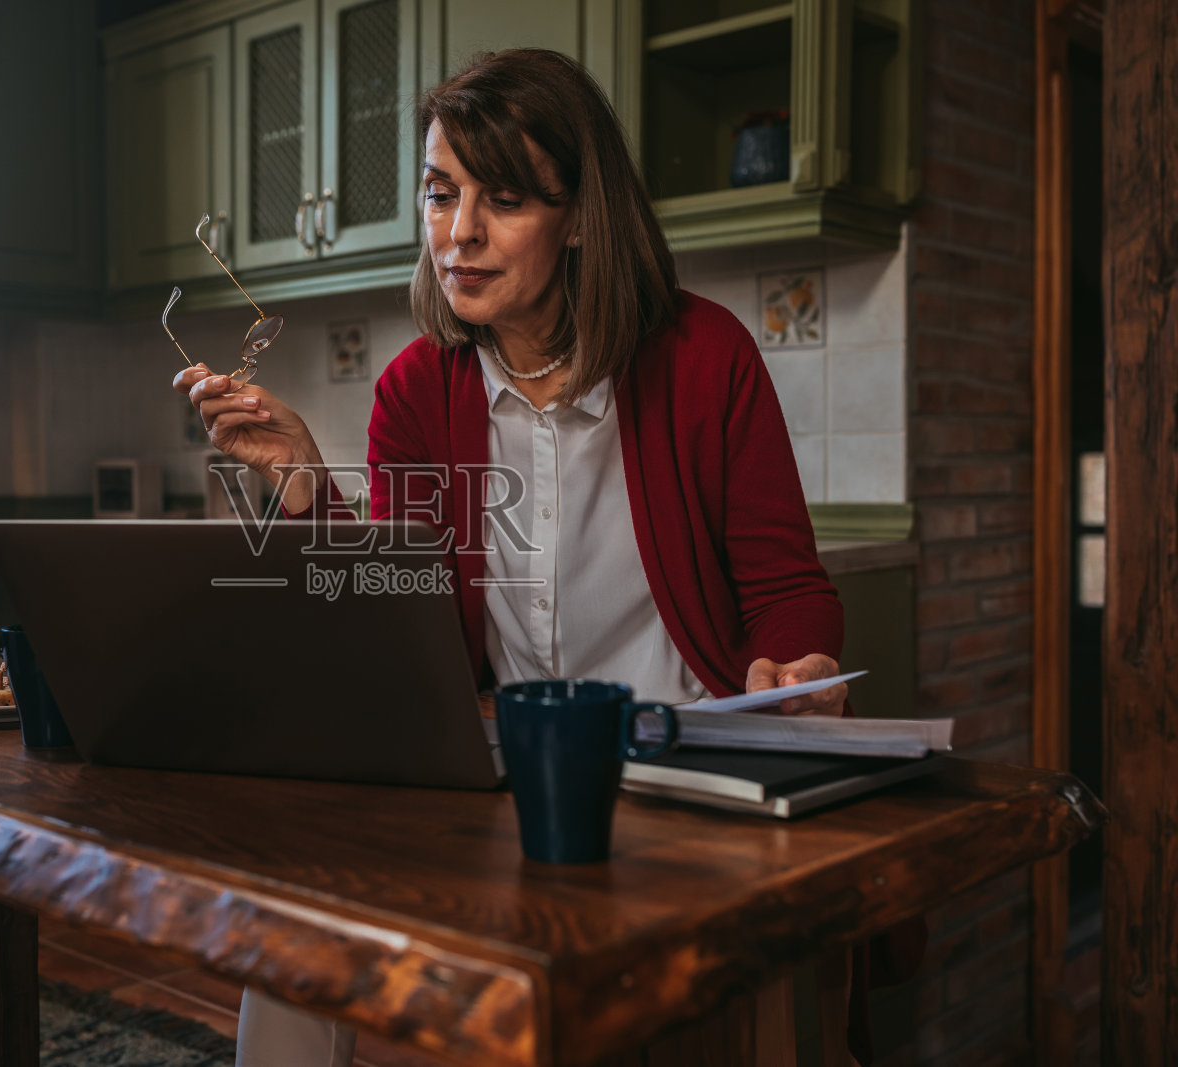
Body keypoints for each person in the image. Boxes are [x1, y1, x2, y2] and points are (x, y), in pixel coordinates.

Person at [174, 46, 879, 1067]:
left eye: (502, 199)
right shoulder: (416, 388)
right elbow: (398, 631)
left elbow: (787, 589)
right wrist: (304, 485)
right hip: (501, 774)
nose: (458, 231)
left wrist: (798, 662)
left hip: (677, 774)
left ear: (580, 215)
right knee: (295, 922)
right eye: (440, 192)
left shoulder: (706, 355)